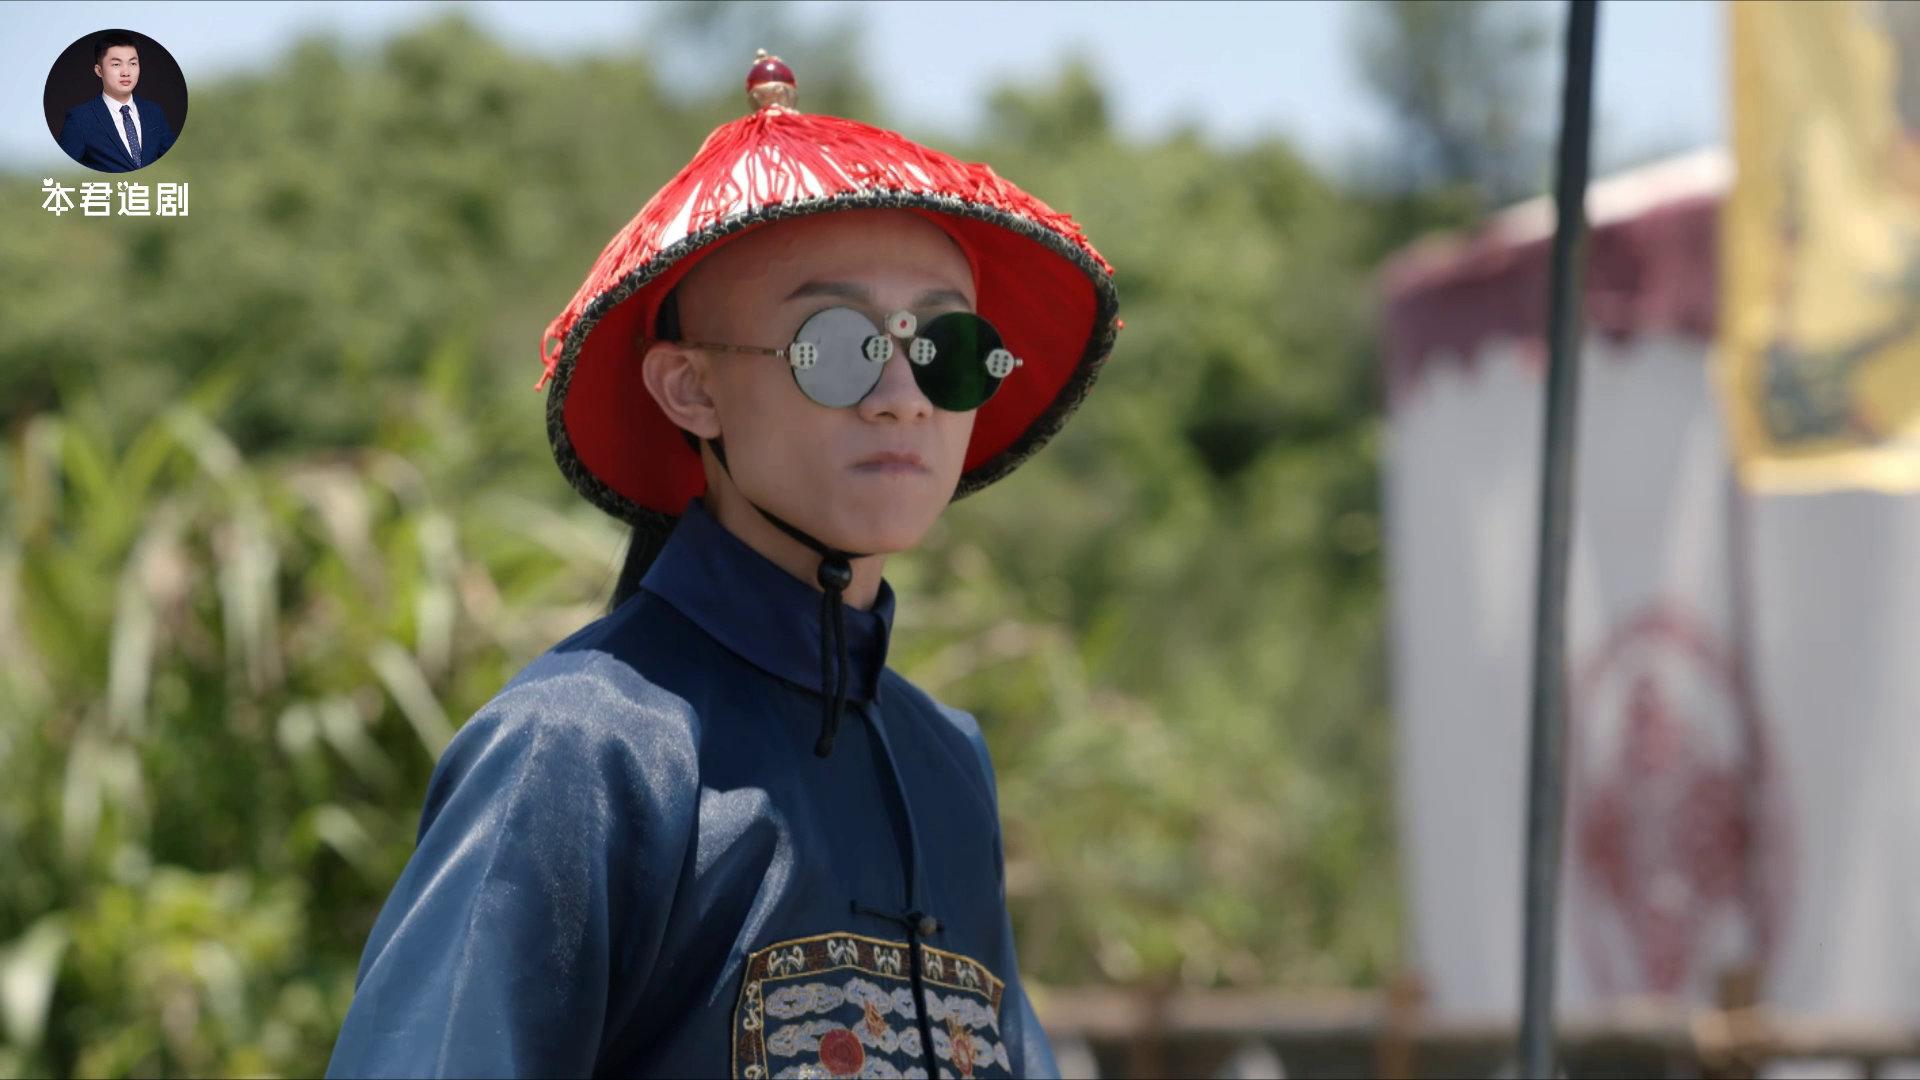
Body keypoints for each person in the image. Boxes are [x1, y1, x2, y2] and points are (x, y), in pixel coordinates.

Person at [325, 50, 1118, 1079]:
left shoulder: (947, 762)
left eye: (946, 350)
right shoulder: (580, 752)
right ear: (691, 390)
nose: (902, 398)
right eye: (836, 347)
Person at [56, 31, 177, 172]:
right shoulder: (80, 119)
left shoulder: (153, 111)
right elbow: (62, 172)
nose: (126, 72)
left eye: (133, 63)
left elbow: (176, 160)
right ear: (99, 70)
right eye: (116, 64)